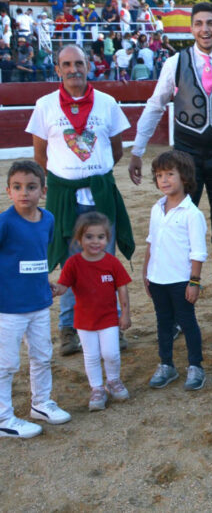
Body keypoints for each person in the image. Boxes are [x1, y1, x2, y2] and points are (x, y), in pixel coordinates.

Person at [130, 2, 212, 337]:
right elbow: (155, 104)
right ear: (191, 28)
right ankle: (181, 312)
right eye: (199, 23)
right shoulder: (175, 62)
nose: (205, 29)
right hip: (185, 156)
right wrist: (137, 151)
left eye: (210, 23)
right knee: (179, 231)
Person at [27, 44, 134, 357]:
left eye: (78, 63)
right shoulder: (45, 105)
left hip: (99, 193)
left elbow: (116, 150)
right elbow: (40, 154)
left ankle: (111, 324)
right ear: (57, 70)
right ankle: (68, 328)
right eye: (67, 64)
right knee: (70, 263)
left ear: (88, 66)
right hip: (64, 196)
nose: (73, 69)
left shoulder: (107, 103)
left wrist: (92, 173)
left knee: (104, 260)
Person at [0, 161, 72, 438]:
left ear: (43, 190)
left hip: (39, 303)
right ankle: (3, 417)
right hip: (9, 307)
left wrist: (44, 282)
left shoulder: (48, 219)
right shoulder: (5, 222)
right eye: (17, 187)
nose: (24, 193)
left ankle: (41, 403)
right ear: (8, 191)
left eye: (31, 187)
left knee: (42, 355)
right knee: (6, 363)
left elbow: (38, 256)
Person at [52, 213, 132, 411]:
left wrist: (125, 314)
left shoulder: (112, 262)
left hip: (108, 318)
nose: (95, 241)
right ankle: (97, 388)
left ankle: (113, 381)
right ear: (79, 239)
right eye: (89, 237)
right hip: (84, 320)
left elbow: (122, 288)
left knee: (111, 353)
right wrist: (53, 289)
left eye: (100, 237)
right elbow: (63, 287)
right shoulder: (73, 263)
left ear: (108, 238)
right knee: (91, 355)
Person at [143, 151, 207, 391]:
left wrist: (194, 282)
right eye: (160, 175)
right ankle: (166, 364)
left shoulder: (192, 214)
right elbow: (151, 241)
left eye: (170, 174)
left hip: (180, 279)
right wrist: (146, 272)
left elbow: (198, 252)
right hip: (158, 278)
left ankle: (195, 366)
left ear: (184, 177)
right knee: (163, 323)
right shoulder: (156, 208)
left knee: (187, 322)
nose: (164, 180)